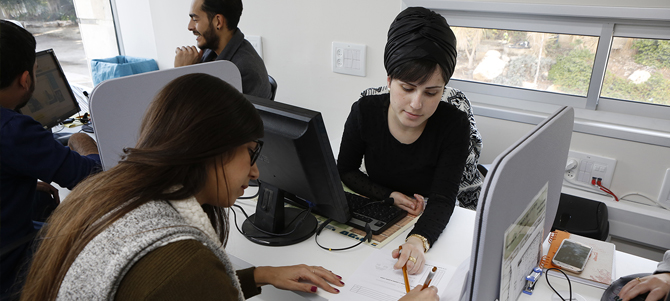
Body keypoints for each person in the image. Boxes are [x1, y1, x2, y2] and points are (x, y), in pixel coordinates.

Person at [19, 73, 437, 301]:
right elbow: (183, 284)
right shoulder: (180, 263)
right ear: (211, 150)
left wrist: (261, 274)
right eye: (250, 155)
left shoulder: (106, 195)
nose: (254, 174)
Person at [337, 7, 480, 276]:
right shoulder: (365, 111)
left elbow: (443, 197)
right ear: (389, 80)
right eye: (407, 88)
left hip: (443, 219)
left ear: (444, 89)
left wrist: (419, 239)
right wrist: (388, 196)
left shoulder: (454, 124)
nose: (417, 104)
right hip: (387, 214)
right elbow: (345, 169)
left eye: (431, 92)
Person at [0, 20, 100, 300]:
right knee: (98, 245)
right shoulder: (14, 130)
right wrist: (85, 145)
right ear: (25, 80)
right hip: (10, 261)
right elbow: (89, 177)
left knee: (43, 204)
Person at [174, 0, 272, 99]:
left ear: (218, 21)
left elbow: (199, 112)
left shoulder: (244, 70)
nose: (189, 27)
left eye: (195, 19)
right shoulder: (211, 51)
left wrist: (182, 75)